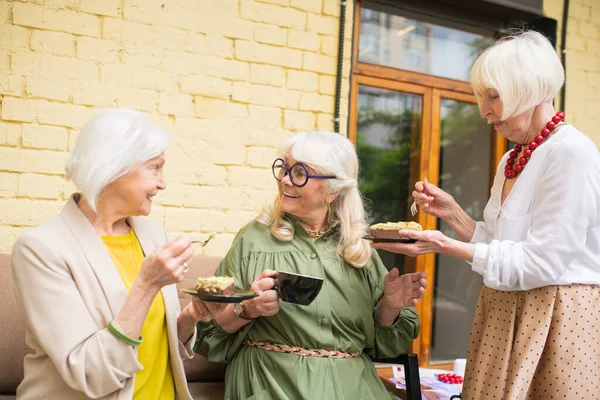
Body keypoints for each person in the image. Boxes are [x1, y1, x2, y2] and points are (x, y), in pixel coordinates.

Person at [372, 31, 600, 399]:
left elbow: (542, 263)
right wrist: (455, 216)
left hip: (553, 319)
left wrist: (445, 246)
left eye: (493, 96)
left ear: (527, 89)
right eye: (482, 98)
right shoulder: (512, 159)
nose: (483, 110)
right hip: (503, 311)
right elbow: (502, 247)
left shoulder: (571, 153)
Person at [194, 131, 428, 399]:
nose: (284, 179)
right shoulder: (253, 239)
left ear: (334, 191)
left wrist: (390, 306)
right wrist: (248, 309)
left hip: (353, 388)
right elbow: (207, 333)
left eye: (299, 173)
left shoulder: (357, 248)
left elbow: (386, 345)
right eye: (284, 168)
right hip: (272, 385)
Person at [11, 109, 219, 399]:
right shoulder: (41, 250)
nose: (163, 184)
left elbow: (156, 347)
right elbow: (89, 373)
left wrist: (191, 316)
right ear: (113, 168)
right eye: (154, 168)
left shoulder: (154, 236)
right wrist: (146, 285)